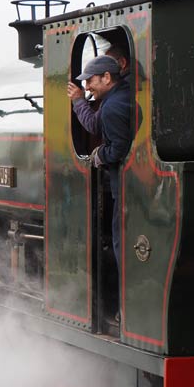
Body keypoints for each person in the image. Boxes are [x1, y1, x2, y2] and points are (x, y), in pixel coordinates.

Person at [67, 55, 131, 267]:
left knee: (121, 243)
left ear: (106, 77)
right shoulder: (122, 94)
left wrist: (100, 155)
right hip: (127, 186)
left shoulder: (112, 105)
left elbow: (119, 150)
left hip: (123, 187)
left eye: (89, 81)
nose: (86, 87)